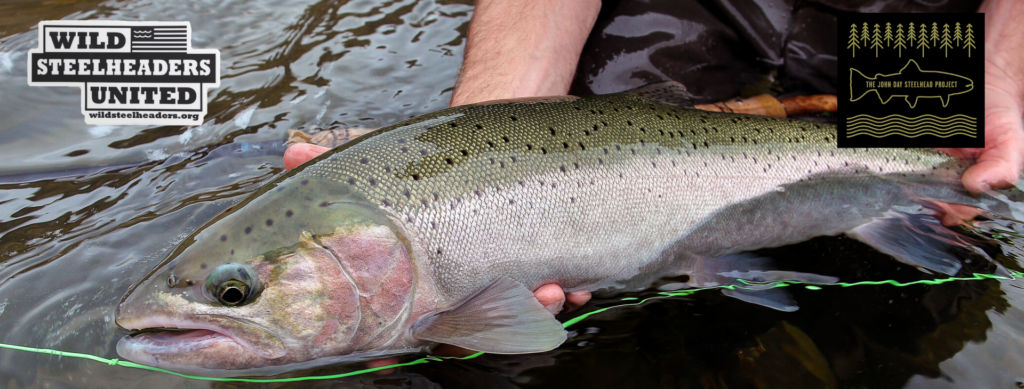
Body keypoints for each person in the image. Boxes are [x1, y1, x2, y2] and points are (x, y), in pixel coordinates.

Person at [284, 0, 1024, 372]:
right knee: (509, 371)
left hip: (919, 12)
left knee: (936, 259)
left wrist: (1001, 62)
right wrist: (491, 121)